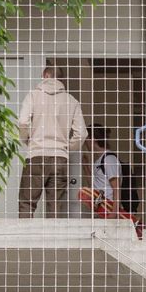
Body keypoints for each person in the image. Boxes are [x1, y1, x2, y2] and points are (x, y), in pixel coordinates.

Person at [17, 64, 87, 218]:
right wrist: (66, 148)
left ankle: (23, 241)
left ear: (46, 75)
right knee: (55, 205)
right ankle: (53, 242)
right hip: (59, 158)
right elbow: (81, 133)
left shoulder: (33, 95)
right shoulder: (71, 100)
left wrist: (27, 140)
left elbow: (22, 122)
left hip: (36, 155)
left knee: (27, 203)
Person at [84, 124, 122, 218]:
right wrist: (85, 166)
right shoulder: (99, 160)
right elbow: (94, 185)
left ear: (93, 139)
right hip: (99, 209)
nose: (85, 142)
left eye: (86, 139)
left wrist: (113, 214)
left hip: (108, 209)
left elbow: (116, 188)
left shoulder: (109, 159)